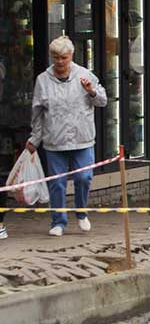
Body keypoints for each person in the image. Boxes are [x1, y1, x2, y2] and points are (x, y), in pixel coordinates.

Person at [26, 36, 106, 237]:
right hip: (55, 140)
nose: (60, 62)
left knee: (84, 177)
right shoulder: (43, 80)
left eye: (64, 57)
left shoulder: (85, 75)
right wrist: (35, 138)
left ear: (71, 56)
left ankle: (81, 212)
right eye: (56, 57)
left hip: (82, 138)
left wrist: (92, 91)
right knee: (57, 183)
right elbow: (37, 112)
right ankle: (58, 222)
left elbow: (103, 101)